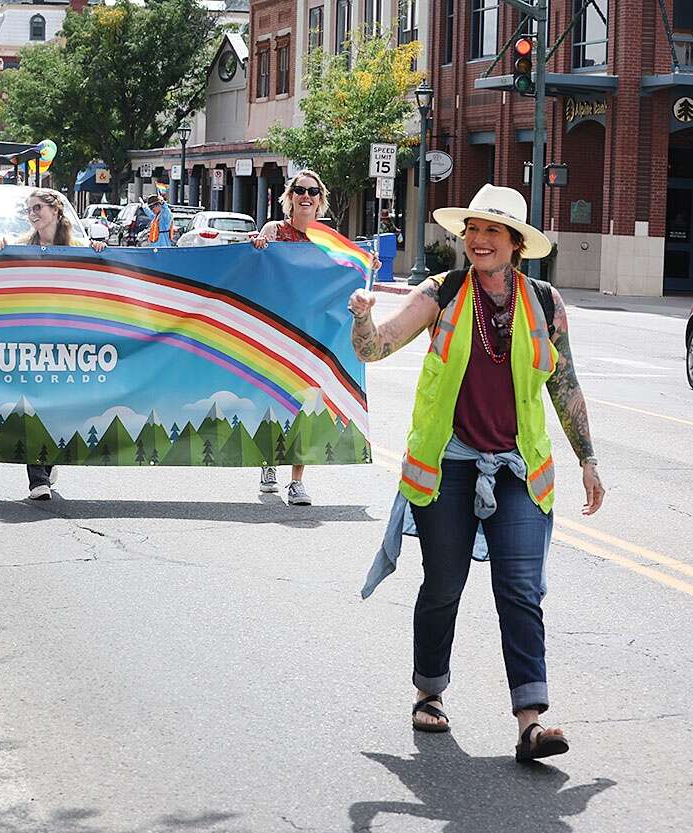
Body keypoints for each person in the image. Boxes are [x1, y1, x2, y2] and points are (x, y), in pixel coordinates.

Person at [349, 184, 606, 761]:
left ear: (515, 243)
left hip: (519, 467)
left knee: (520, 590)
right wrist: (363, 321)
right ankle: (429, 693)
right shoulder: (441, 291)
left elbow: (564, 384)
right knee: (444, 585)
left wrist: (587, 457)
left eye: (492, 231)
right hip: (449, 464)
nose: (479, 240)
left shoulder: (544, 302)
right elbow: (376, 348)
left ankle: (531, 722)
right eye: (473, 230)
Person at [0, 189, 107, 500]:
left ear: (56, 211)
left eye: (38, 207)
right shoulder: (23, 245)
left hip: (68, 341)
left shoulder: (77, 247)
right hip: (31, 339)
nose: (32, 213)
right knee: (33, 404)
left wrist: (100, 250)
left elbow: (102, 272)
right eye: (29, 208)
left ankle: (48, 459)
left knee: (61, 407)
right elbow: (2, 263)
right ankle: (38, 479)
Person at [250, 169, 335, 505]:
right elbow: (256, 270)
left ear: (320, 200)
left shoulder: (326, 239)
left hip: (309, 336)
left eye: (312, 192)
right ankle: (269, 461)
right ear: (289, 197)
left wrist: (365, 262)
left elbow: (343, 272)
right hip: (274, 333)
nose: (306, 196)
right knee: (273, 400)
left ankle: (297, 481)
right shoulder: (274, 231)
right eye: (299, 190)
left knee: (305, 404)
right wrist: (257, 247)